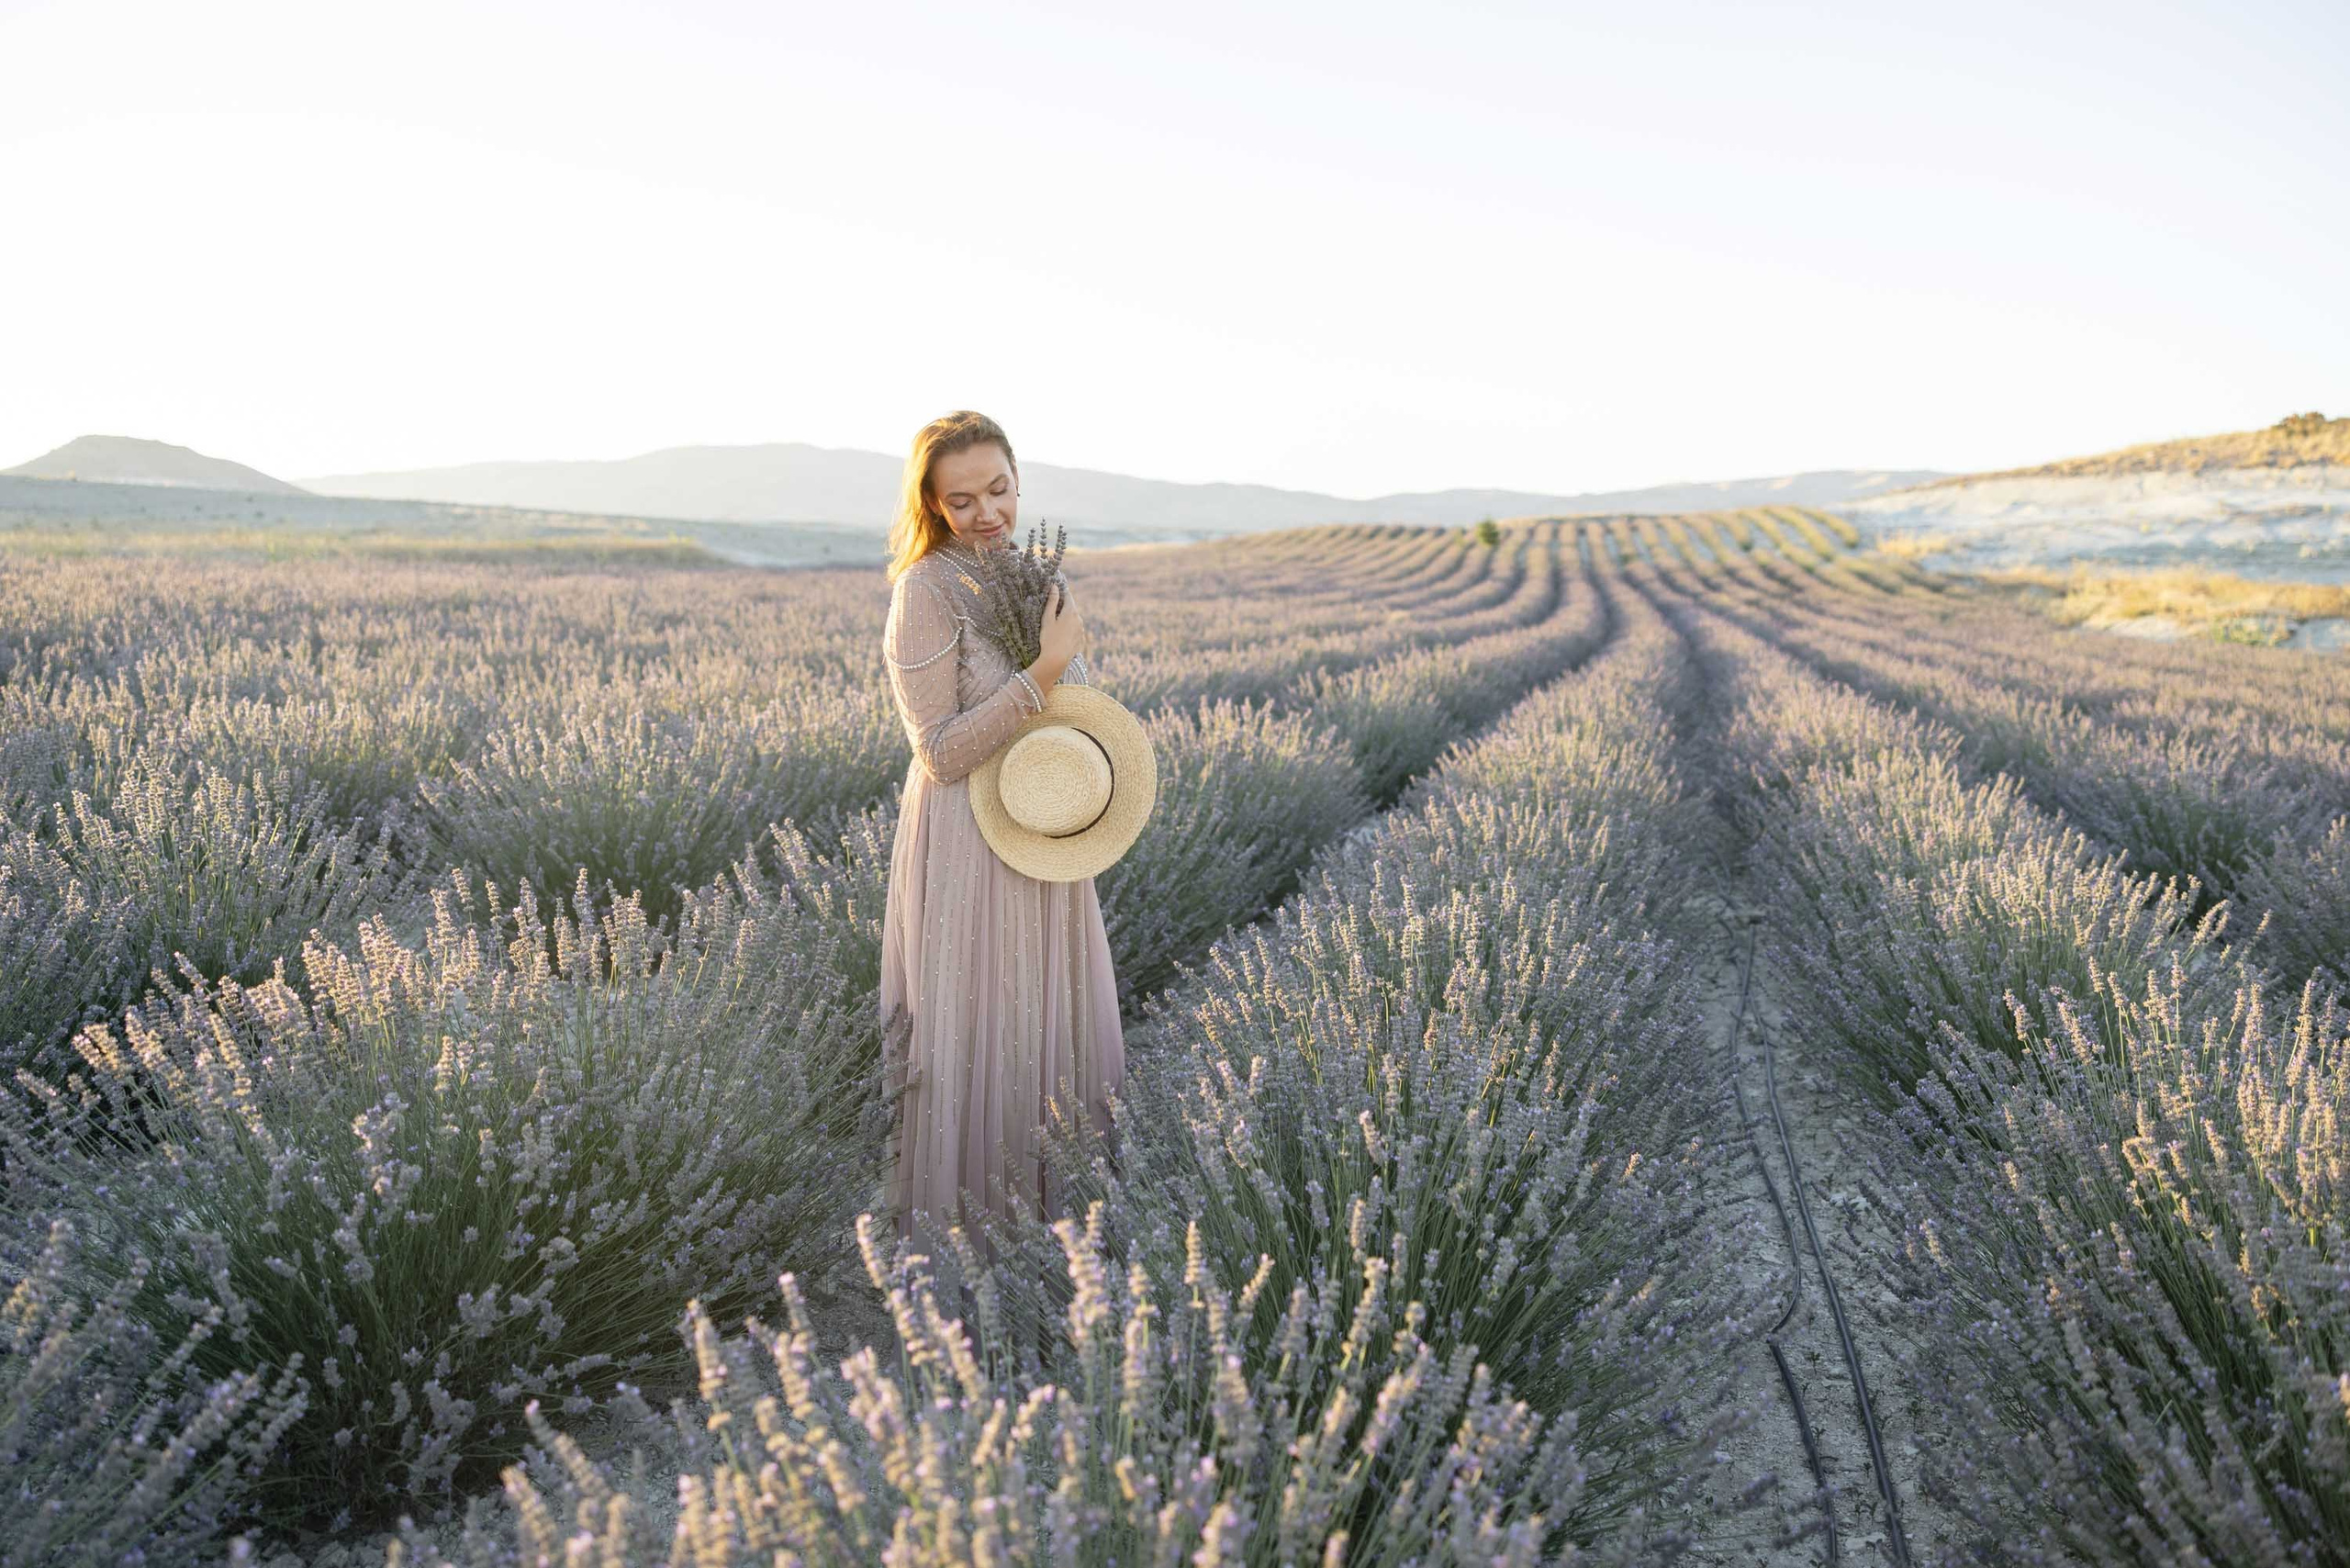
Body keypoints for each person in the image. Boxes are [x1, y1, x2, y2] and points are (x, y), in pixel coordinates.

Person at [876, 410, 1124, 1271]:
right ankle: (969, 1250)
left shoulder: (1033, 576)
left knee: (1044, 1025)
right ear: (934, 506)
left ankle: (1054, 1241)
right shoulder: (924, 590)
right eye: (963, 499)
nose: (987, 513)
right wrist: (1043, 672)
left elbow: (1075, 713)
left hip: (1044, 831)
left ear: (1019, 484)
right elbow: (937, 753)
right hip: (966, 838)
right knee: (978, 1029)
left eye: (1000, 490)